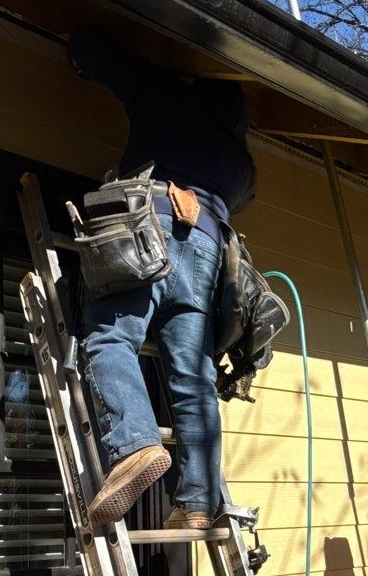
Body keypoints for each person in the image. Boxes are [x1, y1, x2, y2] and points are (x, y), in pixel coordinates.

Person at [67, 27, 257, 532]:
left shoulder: (171, 97)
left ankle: (134, 444)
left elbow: (101, 53)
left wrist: (82, 55)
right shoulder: (240, 163)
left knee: (110, 335)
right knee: (193, 375)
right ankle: (197, 499)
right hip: (208, 246)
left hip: (145, 220)